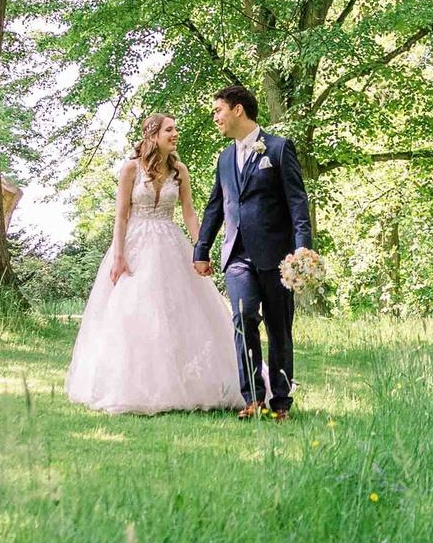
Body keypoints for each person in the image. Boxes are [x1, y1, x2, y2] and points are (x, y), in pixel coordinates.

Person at [65, 114, 241, 414]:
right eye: (170, 130)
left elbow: (188, 213)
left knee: (180, 310)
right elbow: (121, 215)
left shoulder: (179, 170)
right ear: (153, 134)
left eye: (175, 130)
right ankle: (133, 386)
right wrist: (119, 255)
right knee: (136, 311)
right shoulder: (130, 169)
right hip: (135, 245)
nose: (175, 134)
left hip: (170, 242)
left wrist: (201, 249)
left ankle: (191, 384)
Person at [193, 85, 314, 419]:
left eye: (218, 110)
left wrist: (302, 250)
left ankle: (281, 403)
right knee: (243, 318)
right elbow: (215, 206)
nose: (215, 117)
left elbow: (297, 202)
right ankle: (252, 397)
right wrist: (201, 248)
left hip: (278, 258)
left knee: (279, 329)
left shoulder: (277, 149)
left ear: (237, 110)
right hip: (237, 258)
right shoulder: (224, 158)